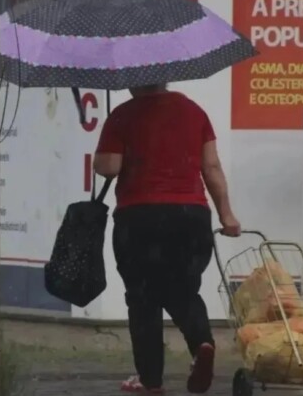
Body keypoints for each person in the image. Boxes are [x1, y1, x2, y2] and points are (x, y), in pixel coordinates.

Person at [93, 84, 241, 394]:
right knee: (184, 289)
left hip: (139, 217)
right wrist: (226, 215)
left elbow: (109, 167)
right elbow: (211, 166)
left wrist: (105, 151)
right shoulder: (194, 111)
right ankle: (202, 342)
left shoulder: (122, 115)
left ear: (134, 80)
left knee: (143, 298)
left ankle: (150, 382)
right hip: (191, 216)